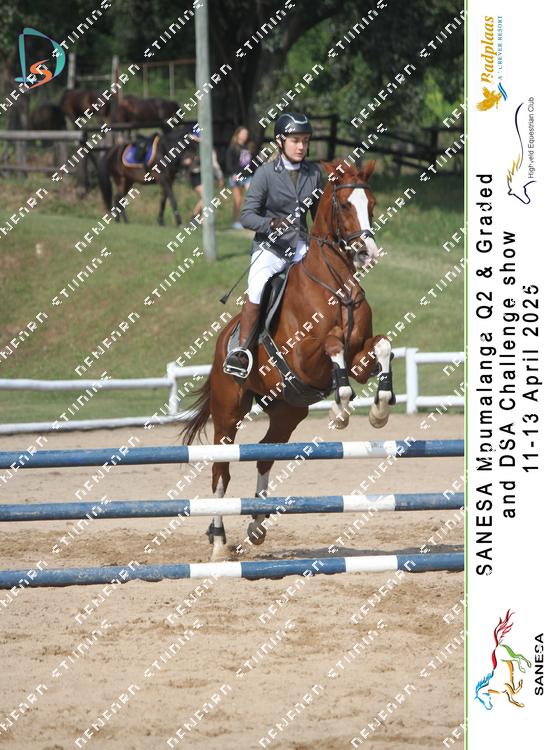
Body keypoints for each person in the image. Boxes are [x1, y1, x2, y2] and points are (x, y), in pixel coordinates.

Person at [223, 112, 323, 379]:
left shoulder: (314, 173)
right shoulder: (265, 173)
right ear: (280, 142)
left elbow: (319, 217)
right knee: (257, 286)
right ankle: (242, 351)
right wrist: (271, 224)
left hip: (301, 247)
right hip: (271, 248)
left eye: (305, 141)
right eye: (295, 141)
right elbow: (247, 216)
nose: (301, 146)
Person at [185, 125, 224, 219]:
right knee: (206, 197)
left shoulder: (209, 148)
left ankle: (200, 219)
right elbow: (185, 162)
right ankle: (195, 217)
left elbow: (215, 163)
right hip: (195, 175)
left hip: (206, 175)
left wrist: (220, 176)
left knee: (208, 198)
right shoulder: (191, 148)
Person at [225, 126, 253, 229]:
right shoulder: (233, 147)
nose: (245, 136)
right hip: (236, 176)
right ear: (238, 134)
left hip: (247, 177)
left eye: (246, 134)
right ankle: (236, 222)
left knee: (252, 197)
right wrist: (233, 174)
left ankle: (250, 220)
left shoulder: (246, 147)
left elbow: (246, 164)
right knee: (238, 200)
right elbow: (228, 163)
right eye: (243, 133)